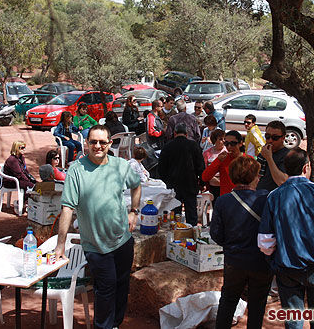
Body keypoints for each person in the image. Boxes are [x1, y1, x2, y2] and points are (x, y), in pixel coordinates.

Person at [54, 125, 141, 329]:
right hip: (95, 245)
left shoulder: (121, 165)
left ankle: (115, 324)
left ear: (110, 143)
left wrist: (134, 211)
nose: (98, 146)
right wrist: (60, 244)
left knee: (121, 286)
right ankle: (103, 326)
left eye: (102, 142)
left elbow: (136, 184)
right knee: (106, 287)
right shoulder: (77, 170)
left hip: (122, 240)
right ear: (87, 143)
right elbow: (67, 208)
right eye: (93, 141)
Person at [258, 148, 314, 329]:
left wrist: (277, 255)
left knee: (293, 322)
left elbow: (265, 241)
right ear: (306, 167)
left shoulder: (274, 196)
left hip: (288, 268)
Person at [211, 156, 272, 329]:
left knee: (228, 300)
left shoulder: (223, 201)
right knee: (258, 304)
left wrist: (229, 244)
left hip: (234, 260)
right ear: (254, 177)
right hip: (261, 261)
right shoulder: (266, 198)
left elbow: (216, 234)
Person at [158, 123, 205, 225]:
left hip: (173, 184)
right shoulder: (193, 146)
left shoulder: (167, 146)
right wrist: (202, 182)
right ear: (186, 134)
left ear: (174, 133)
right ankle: (193, 235)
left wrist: (166, 181)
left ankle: (175, 235)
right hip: (190, 182)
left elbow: (161, 168)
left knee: (175, 214)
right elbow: (200, 166)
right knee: (191, 212)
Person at [202, 131, 245, 196]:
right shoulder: (222, 159)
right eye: (226, 143)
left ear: (240, 143)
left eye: (233, 143)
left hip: (243, 199)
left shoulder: (248, 159)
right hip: (226, 200)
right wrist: (217, 161)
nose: (229, 147)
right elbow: (205, 177)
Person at [256, 120, 289, 192]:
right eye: (267, 136)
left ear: (283, 138)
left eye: (275, 138)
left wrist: (269, 158)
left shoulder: (287, 156)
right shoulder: (264, 152)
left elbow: (282, 181)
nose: (270, 140)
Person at [202, 129, 227, 200]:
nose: (223, 141)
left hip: (224, 185)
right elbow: (205, 169)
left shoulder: (227, 152)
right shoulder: (206, 153)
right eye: (221, 139)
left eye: (224, 139)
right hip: (212, 185)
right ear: (215, 140)